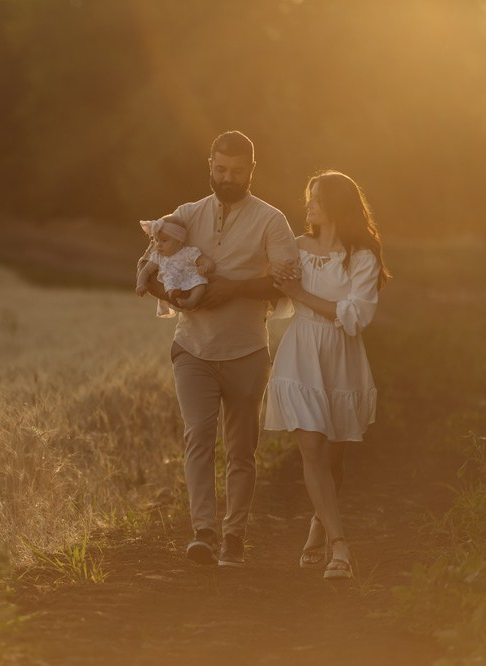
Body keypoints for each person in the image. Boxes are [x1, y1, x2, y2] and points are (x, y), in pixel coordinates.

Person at [137, 130, 298, 567]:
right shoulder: (185, 215)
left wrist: (234, 288)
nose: (228, 178)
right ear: (210, 165)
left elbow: (287, 281)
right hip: (192, 350)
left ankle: (234, 536)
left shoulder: (271, 220)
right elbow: (149, 265)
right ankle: (204, 533)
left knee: (242, 451)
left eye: (237, 171)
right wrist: (176, 296)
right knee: (198, 440)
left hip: (247, 352)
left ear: (251, 170)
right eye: (221, 169)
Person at [264, 170, 390, 580]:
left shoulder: (362, 256)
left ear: (336, 205)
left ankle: (319, 523)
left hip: (340, 357)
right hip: (301, 352)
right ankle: (341, 545)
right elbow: (270, 287)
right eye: (309, 198)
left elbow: (356, 315)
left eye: (317, 199)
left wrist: (300, 293)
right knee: (312, 448)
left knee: (334, 458)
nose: (309, 206)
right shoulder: (295, 248)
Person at [136, 215, 216, 316]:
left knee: (200, 281)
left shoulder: (189, 252)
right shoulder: (158, 256)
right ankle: (173, 295)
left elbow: (208, 262)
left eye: (164, 240)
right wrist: (140, 284)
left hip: (190, 277)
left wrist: (205, 268)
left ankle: (192, 301)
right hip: (173, 281)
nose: (159, 244)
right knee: (169, 280)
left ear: (179, 241)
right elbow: (146, 270)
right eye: (157, 240)